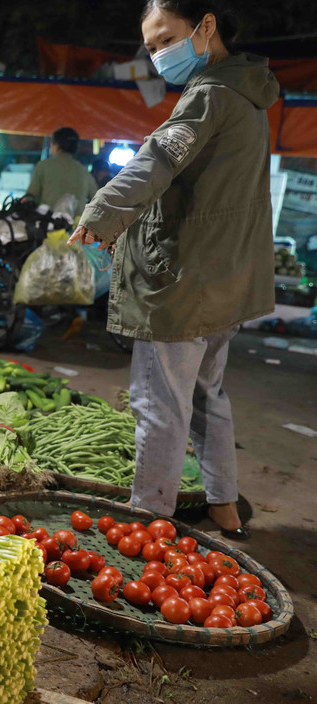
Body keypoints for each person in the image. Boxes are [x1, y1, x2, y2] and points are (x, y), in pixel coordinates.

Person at [69, 0, 278, 538]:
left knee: (158, 403)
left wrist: (102, 214)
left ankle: (147, 520)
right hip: (225, 278)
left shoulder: (209, 96)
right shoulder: (251, 97)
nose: (159, 55)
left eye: (166, 40)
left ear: (205, 26)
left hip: (185, 281)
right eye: (152, 47)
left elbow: (157, 161)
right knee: (210, 394)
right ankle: (223, 506)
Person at [26, 127, 99, 218]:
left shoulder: (43, 166)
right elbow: (97, 202)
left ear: (56, 145)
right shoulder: (84, 172)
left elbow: (31, 197)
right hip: (76, 229)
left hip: (47, 226)